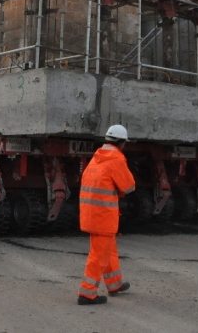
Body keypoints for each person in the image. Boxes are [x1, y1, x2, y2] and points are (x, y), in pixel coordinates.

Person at [77, 124, 136, 305]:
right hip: (103, 216)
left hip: (91, 214)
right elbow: (129, 186)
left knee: (108, 250)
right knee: (99, 255)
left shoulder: (96, 158)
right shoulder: (116, 159)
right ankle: (87, 294)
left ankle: (114, 284)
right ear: (122, 143)